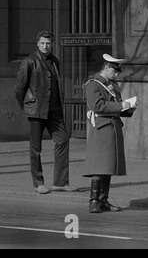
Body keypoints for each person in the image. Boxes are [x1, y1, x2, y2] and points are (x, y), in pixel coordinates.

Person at [14, 31, 77, 195]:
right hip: (37, 111)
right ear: (37, 43)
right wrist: (27, 105)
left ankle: (60, 182)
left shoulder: (54, 60)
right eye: (42, 43)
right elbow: (19, 88)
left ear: (52, 44)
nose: (45, 46)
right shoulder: (29, 61)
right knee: (36, 148)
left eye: (48, 43)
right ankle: (38, 183)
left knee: (63, 140)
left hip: (55, 110)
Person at [83, 54, 137, 213]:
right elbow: (98, 106)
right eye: (114, 71)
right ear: (106, 68)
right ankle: (93, 200)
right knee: (99, 166)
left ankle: (103, 200)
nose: (116, 75)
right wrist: (121, 106)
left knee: (108, 167)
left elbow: (117, 107)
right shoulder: (93, 84)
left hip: (112, 128)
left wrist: (128, 109)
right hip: (101, 128)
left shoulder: (112, 85)